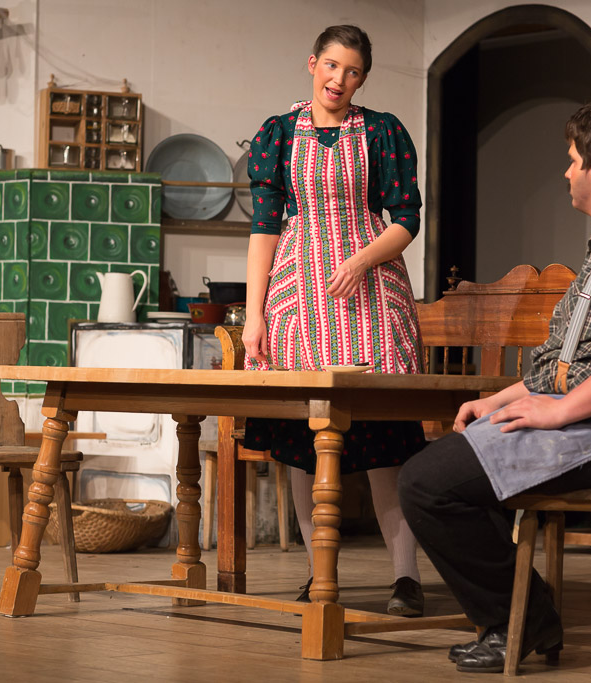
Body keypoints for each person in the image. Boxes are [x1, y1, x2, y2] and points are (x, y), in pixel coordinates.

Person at [398, 94, 591, 673]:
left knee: (428, 483)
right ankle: (520, 618)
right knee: (448, 467)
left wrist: (557, 412)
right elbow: (565, 365)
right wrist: (501, 399)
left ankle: (519, 620)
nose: (566, 172)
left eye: (572, 159)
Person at [241, 25, 426, 617]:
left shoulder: (383, 131)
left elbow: (406, 218)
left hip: (369, 294)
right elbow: (264, 229)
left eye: (352, 71)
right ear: (312, 63)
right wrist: (253, 315)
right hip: (298, 294)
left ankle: (406, 579)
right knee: (304, 441)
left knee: (383, 438)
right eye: (331, 65)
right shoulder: (277, 134)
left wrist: (363, 259)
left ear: (362, 79)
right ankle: (318, 572)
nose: (339, 79)